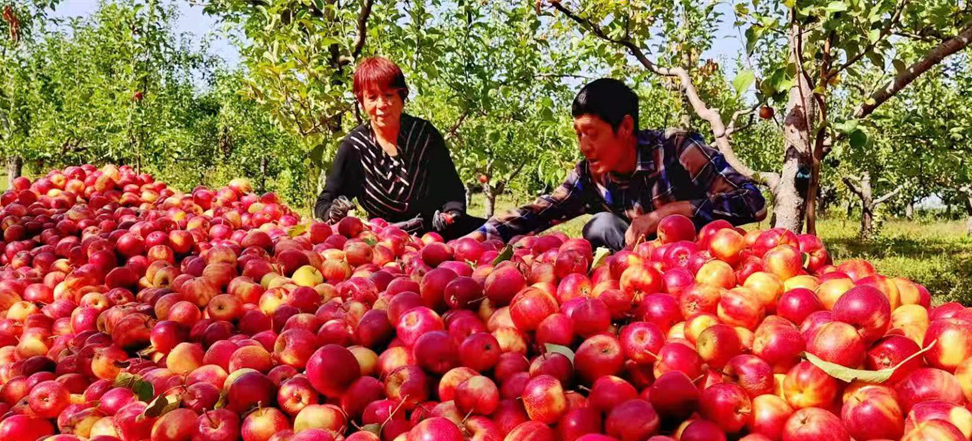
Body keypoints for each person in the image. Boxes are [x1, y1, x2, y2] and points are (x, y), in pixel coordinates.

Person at [474, 78, 768, 250]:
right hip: (641, 274)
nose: (584, 146)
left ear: (625, 127)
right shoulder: (591, 175)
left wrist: (665, 215)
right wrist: (473, 241)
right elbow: (540, 210)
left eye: (592, 134)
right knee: (600, 226)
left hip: (703, 265)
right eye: (579, 135)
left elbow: (752, 202)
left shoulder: (677, 149)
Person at [315, 56, 484, 238]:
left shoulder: (423, 136)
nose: (381, 105)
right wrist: (333, 213)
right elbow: (324, 202)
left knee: (509, 227)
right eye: (371, 97)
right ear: (362, 102)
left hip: (436, 238)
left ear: (402, 96)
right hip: (384, 244)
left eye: (389, 95)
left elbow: (451, 190)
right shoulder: (355, 148)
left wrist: (451, 214)